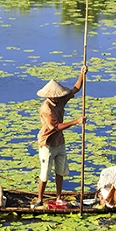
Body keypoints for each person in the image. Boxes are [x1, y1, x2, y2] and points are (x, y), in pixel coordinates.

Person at [33, 65, 87, 208]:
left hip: (59, 142)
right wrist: (76, 121)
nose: (57, 98)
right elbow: (55, 127)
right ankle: (39, 199)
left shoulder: (60, 100)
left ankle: (58, 198)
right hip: (48, 143)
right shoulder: (46, 108)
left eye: (58, 96)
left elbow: (76, 88)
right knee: (45, 173)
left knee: (60, 171)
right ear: (49, 96)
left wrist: (82, 73)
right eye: (55, 96)